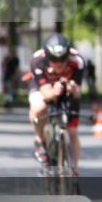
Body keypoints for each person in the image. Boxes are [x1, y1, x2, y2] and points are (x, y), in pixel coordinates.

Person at [28, 34, 84, 173]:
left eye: (62, 59)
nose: (58, 63)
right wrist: (54, 92)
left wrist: (73, 88)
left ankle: (75, 171)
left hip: (66, 89)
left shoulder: (77, 61)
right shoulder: (37, 60)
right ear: (47, 57)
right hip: (44, 87)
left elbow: (78, 93)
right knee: (40, 107)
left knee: (72, 131)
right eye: (53, 60)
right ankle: (40, 140)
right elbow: (46, 93)